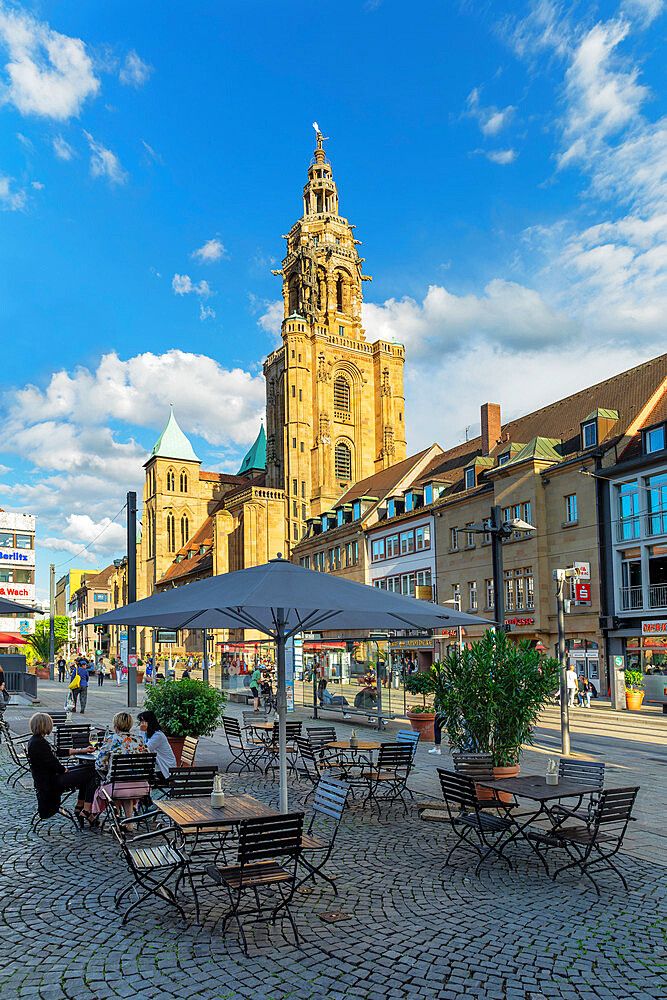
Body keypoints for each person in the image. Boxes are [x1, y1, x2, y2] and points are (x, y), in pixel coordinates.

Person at [26, 712, 96, 823]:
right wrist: (64, 770)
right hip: (52, 782)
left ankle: (80, 806)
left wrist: (82, 750)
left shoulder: (37, 740)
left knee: (87, 768)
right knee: (92, 772)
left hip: (51, 777)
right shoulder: (38, 743)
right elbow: (53, 763)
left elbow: (58, 751)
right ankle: (85, 810)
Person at [91, 712, 148, 820]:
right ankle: (129, 822)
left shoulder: (111, 740)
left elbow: (99, 765)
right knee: (125, 784)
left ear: (115, 726)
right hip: (140, 786)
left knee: (116, 781)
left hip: (116, 788)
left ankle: (118, 821)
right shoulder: (139, 740)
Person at [137, 710, 177, 783]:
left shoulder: (158, 736)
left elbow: (144, 750)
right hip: (157, 767)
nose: (139, 724)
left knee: (138, 773)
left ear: (148, 722)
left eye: (142, 722)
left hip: (165, 770)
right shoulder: (149, 734)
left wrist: (141, 732)